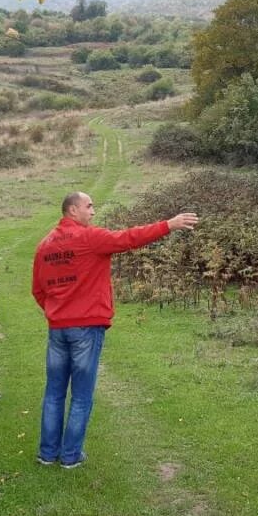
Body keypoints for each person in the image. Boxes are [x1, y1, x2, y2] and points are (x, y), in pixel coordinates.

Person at [32, 191, 198, 468]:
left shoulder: (44, 245)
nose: (93, 212)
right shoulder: (89, 238)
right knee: (82, 394)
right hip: (86, 326)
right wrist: (169, 225)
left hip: (57, 328)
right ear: (73, 210)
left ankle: (48, 454)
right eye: (89, 206)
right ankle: (70, 456)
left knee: (54, 392)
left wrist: (56, 310)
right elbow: (129, 238)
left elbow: (38, 290)